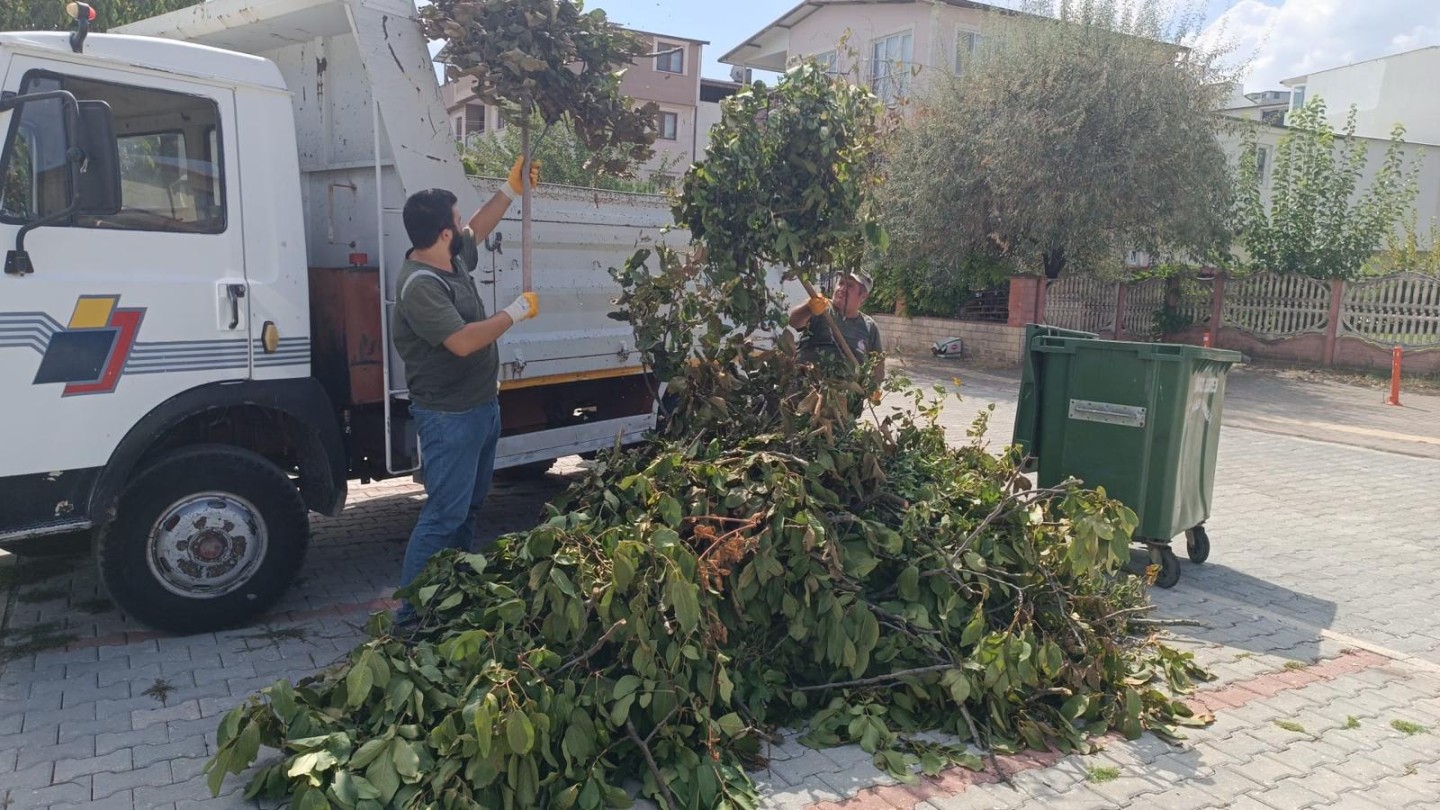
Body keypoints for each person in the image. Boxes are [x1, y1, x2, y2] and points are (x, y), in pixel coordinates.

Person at [392, 156, 541, 625]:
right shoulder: (420, 285)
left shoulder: (449, 256)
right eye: (454, 222)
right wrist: (513, 313)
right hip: (449, 418)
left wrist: (510, 190)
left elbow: (477, 227)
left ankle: (453, 597)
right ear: (441, 234)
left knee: (468, 511)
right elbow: (461, 342)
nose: (462, 228)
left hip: (481, 408)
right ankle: (411, 620)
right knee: (443, 516)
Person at [789, 270, 886, 388]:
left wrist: (873, 388)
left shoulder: (869, 327)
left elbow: (878, 366)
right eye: (841, 283)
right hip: (805, 392)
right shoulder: (821, 308)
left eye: (850, 286)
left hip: (844, 402)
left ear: (863, 296)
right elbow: (794, 321)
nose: (842, 289)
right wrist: (809, 308)